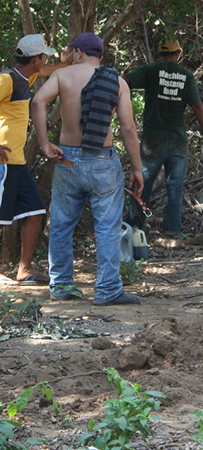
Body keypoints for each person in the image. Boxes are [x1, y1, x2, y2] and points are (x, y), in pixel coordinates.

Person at [31, 32, 144, 304]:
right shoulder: (116, 82)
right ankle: (107, 291)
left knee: (60, 225)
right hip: (102, 161)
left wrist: (45, 143)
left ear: (78, 52)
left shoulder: (63, 75)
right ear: (101, 56)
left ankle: (61, 287)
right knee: (107, 227)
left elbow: (37, 102)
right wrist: (137, 169)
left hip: (66, 159)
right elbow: (128, 129)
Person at [0, 34, 73, 286]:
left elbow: (47, 71)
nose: (45, 61)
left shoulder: (26, 75)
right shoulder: (7, 79)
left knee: (35, 210)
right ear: (36, 59)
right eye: (44, 57)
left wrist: (67, 63)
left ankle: (24, 269)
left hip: (17, 162)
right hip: (3, 162)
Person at [124, 40, 203, 233]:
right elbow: (197, 106)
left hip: (152, 139)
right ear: (178, 53)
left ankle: (134, 228)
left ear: (159, 53)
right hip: (177, 140)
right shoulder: (186, 76)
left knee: (143, 185)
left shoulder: (150, 70)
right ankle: (172, 231)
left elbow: (124, 81)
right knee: (175, 187)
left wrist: (123, 110)